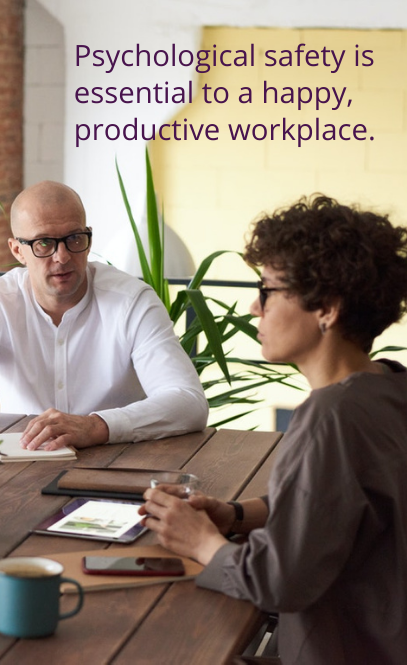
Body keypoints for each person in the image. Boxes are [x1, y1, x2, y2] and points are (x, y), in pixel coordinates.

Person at [140, 195, 407, 664]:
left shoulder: (333, 417)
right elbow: (338, 507)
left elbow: (278, 582)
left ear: (326, 307)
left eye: (267, 289)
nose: (253, 307)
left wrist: (201, 541)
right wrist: (237, 516)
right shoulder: (388, 385)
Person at [0, 180, 207, 450]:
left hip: (116, 464)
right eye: (44, 243)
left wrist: (94, 426)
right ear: (17, 250)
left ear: (89, 239)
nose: (62, 257)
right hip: (23, 467)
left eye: (74, 238)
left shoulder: (132, 301)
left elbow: (188, 402)